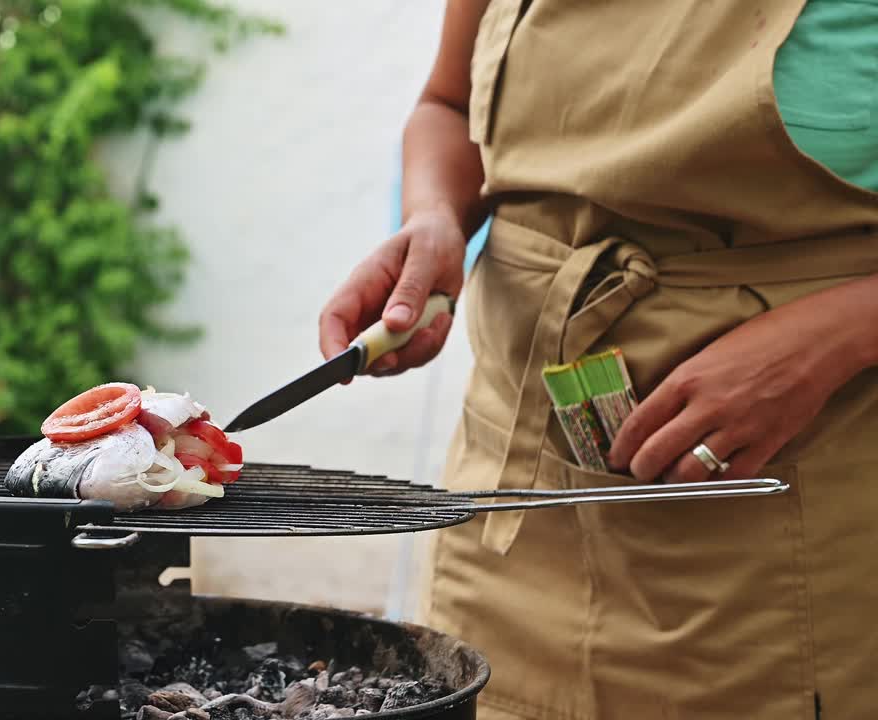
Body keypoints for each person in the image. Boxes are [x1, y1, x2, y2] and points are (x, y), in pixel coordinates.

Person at [319, 2, 878, 718]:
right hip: (510, 517)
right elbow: (448, 104)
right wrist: (435, 217)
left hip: (786, 537)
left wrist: (840, 333)